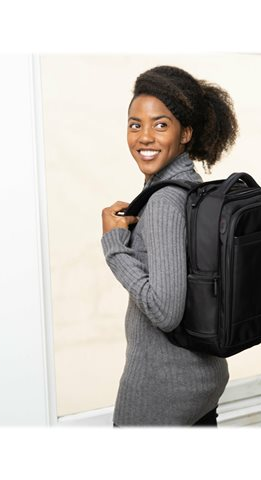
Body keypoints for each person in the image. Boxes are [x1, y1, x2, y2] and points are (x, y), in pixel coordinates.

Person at [100, 65, 238, 426]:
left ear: (186, 133)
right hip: (201, 382)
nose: (144, 137)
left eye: (160, 125)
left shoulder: (164, 202)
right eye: (135, 125)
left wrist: (114, 246)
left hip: (161, 392)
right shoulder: (193, 187)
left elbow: (165, 312)